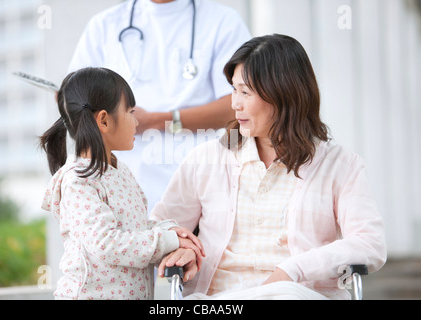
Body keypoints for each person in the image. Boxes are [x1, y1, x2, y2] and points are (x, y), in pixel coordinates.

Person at [150, 34, 387, 300]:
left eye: (245, 92)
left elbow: (370, 243)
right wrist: (183, 244)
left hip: (297, 295)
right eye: (234, 90)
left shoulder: (340, 165)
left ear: (284, 94)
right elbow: (159, 225)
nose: (234, 103)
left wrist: (292, 270)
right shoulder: (206, 160)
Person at [68, 0, 251, 211]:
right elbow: (77, 102)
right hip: (122, 193)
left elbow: (238, 105)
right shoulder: (103, 26)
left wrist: (156, 121)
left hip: (202, 188)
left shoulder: (223, 22)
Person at [40, 67, 203, 300]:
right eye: (130, 112)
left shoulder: (119, 170)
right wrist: (168, 240)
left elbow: (134, 230)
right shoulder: (78, 182)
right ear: (104, 121)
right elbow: (107, 243)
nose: (136, 121)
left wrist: (169, 231)